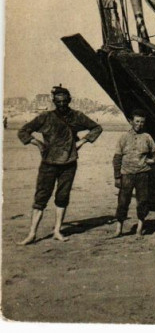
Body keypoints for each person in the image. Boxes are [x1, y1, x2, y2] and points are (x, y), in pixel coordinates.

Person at [17, 86, 103, 245]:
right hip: (48, 163)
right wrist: (36, 142)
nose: (61, 104)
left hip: (69, 163)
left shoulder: (77, 116)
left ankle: (57, 230)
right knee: (41, 197)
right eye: (58, 102)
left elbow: (97, 128)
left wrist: (83, 142)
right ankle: (32, 233)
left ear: (69, 100)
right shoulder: (45, 117)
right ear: (54, 102)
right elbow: (23, 131)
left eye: (64, 101)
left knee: (62, 197)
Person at [113, 109, 155, 237]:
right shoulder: (123, 137)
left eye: (142, 122)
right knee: (123, 201)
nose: (139, 124)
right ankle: (119, 228)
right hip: (126, 174)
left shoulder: (147, 137)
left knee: (143, 200)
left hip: (143, 174)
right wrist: (117, 176)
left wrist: (152, 160)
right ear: (131, 121)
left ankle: (139, 227)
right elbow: (117, 158)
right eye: (137, 121)